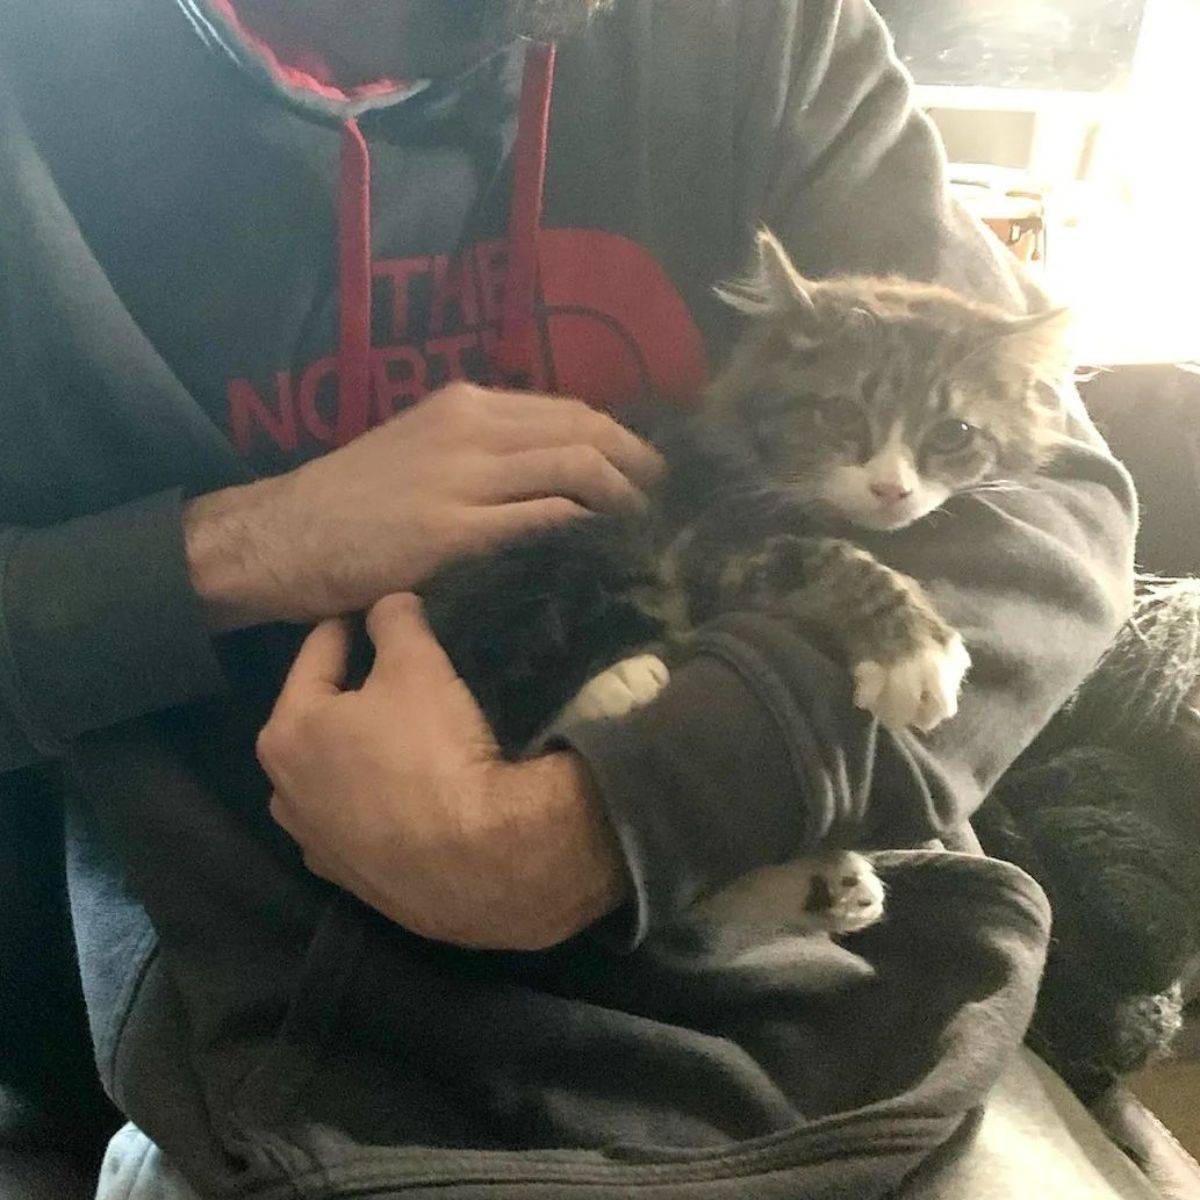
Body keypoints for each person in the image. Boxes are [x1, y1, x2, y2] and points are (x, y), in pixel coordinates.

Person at [0, 1, 1138, 1198]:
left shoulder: (769, 34)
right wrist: (238, 547)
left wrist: (598, 826)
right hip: (267, 1023)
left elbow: (1048, 524)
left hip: (823, 987)